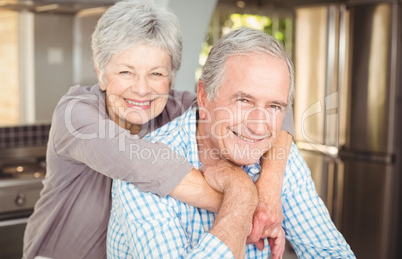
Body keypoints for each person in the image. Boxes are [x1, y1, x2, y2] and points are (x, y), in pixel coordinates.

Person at [23, 0, 295, 259]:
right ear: (101, 73)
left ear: (171, 78)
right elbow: (139, 162)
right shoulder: (76, 113)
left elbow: (277, 112)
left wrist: (269, 187)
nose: (142, 89)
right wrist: (245, 197)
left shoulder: (179, 108)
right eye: (125, 72)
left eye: (156, 73)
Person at [107, 27, 356, 258]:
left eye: (274, 106)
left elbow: (330, 251)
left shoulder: (278, 158)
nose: (258, 126)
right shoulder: (142, 173)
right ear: (204, 96)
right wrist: (241, 192)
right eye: (243, 101)